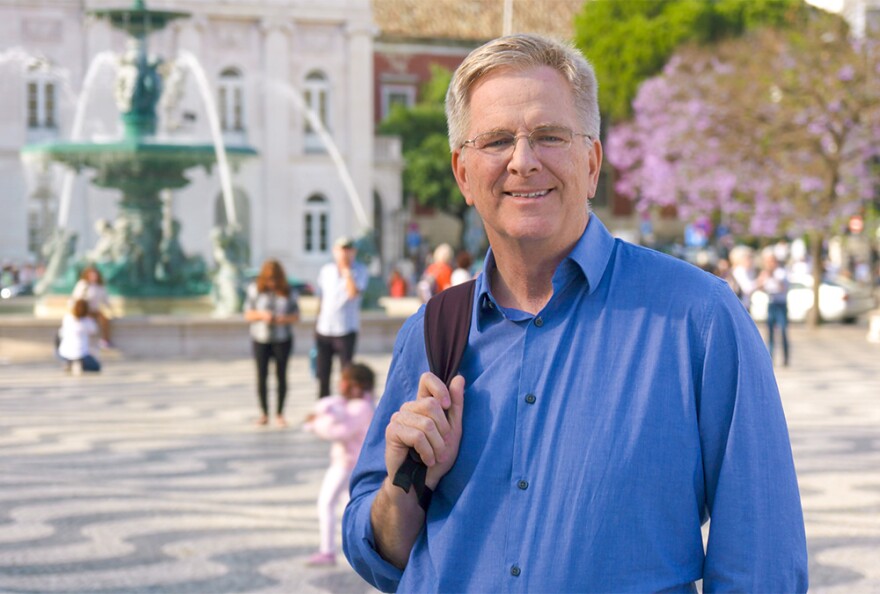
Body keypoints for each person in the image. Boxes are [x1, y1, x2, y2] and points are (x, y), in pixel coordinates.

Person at [343, 34, 807, 592]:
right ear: (463, 174)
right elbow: (378, 553)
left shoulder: (698, 321)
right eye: (494, 141)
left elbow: (762, 564)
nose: (522, 161)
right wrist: (403, 488)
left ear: (591, 162)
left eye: (548, 136)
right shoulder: (432, 331)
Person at [304, 362, 376, 567]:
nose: (339, 385)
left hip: (345, 464)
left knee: (326, 503)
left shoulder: (360, 407)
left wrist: (315, 423)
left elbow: (340, 431)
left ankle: (328, 551)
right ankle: (360, 550)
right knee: (349, 506)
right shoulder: (362, 405)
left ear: (355, 385)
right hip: (349, 463)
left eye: (343, 381)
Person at [243, 259, 300, 427]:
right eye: (269, 279)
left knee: (281, 375)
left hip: (282, 338)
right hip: (260, 337)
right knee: (262, 375)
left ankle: (280, 413)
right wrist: (262, 315)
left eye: (275, 279)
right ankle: (264, 413)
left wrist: (283, 319)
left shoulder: (288, 291)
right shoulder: (255, 290)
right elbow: (247, 314)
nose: (272, 283)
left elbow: (296, 315)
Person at [314, 237, 370, 398]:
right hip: (324, 328)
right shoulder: (326, 270)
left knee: (347, 373)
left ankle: (346, 405)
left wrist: (346, 271)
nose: (345, 253)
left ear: (354, 252)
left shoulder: (360, 270)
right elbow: (322, 298)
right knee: (323, 373)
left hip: (346, 329)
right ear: (335, 251)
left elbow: (353, 293)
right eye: (341, 250)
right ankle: (324, 407)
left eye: (348, 250)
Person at [757, 248, 791, 366]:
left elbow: (783, 288)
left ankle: (786, 357)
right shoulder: (765, 273)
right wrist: (763, 279)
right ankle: (770, 357)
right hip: (771, 303)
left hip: (781, 303)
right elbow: (759, 286)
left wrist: (774, 277)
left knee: (783, 330)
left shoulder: (781, 272)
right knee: (770, 331)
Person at [71, 265, 114, 348]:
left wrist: (111, 310)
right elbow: (76, 299)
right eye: (91, 275)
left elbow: (106, 300)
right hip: (84, 311)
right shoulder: (83, 285)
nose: (93, 277)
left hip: (94, 310)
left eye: (95, 275)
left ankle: (105, 340)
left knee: (105, 320)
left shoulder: (100, 287)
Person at [57, 299, 101, 375]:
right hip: (81, 354)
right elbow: (94, 331)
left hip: (63, 353)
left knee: (59, 336)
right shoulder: (88, 322)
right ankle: (79, 363)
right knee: (96, 366)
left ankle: (69, 362)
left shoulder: (67, 318)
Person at [728, 244, 756, 310]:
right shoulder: (739, 271)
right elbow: (747, 289)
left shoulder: (743, 271)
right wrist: (761, 280)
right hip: (740, 307)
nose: (751, 260)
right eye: (748, 257)